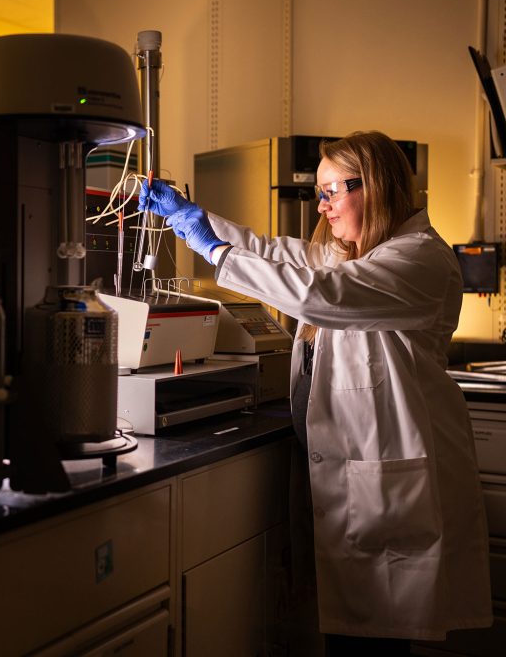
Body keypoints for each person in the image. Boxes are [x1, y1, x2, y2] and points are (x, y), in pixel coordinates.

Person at [140, 131, 493, 655]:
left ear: (373, 187)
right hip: (348, 478)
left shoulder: (418, 259)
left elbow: (319, 295)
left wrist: (212, 250)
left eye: (332, 192)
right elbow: (274, 254)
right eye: (319, 193)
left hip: (386, 485)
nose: (322, 206)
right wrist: (192, 218)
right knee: (349, 637)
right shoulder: (355, 254)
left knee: (373, 644)